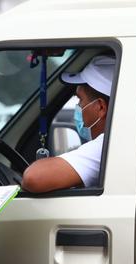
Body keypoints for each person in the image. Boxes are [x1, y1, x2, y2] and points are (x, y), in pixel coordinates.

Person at [22, 55, 115, 193]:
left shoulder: (107, 146)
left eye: (80, 99)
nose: (78, 106)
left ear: (100, 107)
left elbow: (34, 178)